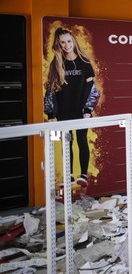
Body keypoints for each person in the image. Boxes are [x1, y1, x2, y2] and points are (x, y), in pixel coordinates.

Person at [44, 27, 101, 187]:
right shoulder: (56, 63)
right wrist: (50, 114)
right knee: (66, 142)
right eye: (62, 42)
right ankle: (68, 175)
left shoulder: (84, 63)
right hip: (63, 111)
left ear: (73, 41)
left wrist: (88, 110)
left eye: (69, 41)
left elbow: (93, 90)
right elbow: (50, 89)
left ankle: (83, 175)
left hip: (81, 111)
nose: (66, 45)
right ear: (59, 44)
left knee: (82, 140)